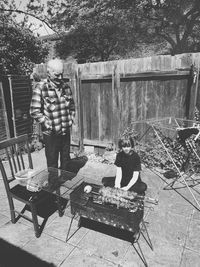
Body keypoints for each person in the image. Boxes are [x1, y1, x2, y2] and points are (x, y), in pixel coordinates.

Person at [30, 58, 75, 169]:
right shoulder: (41, 88)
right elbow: (34, 111)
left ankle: (65, 181)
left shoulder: (66, 87)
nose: (60, 78)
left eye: (61, 74)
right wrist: (47, 124)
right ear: (49, 73)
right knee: (52, 163)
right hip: (51, 134)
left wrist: (70, 120)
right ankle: (54, 184)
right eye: (56, 75)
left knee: (65, 159)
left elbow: (72, 107)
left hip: (65, 131)